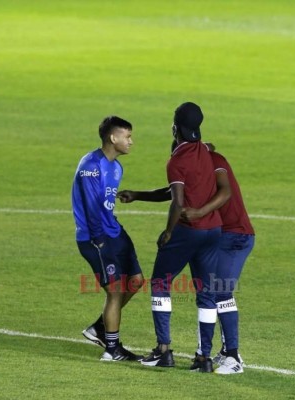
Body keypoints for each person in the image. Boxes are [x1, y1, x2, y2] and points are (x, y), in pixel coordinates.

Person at [117, 102, 222, 372]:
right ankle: (204, 358)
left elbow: (176, 201)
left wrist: (168, 232)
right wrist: (138, 194)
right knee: (206, 294)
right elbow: (174, 190)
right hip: (213, 231)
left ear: (175, 127)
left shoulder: (176, 161)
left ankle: (163, 350)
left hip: (188, 231)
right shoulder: (205, 150)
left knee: (161, 284)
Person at [71, 115, 144, 362]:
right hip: (95, 237)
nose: (131, 141)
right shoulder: (91, 165)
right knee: (115, 291)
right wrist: (100, 240)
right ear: (113, 138)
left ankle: (100, 328)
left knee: (135, 281)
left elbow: (102, 203)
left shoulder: (116, 167)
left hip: (114, 231)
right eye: (127, 136)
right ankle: (112, 349)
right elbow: (91, 207)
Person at [182, 149, 255, 374]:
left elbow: (225, 191)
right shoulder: (198, 163)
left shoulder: (212, 160)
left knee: (220, 291)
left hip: (235, 235)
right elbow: (174, 190)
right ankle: (225, 352)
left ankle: (233, 358)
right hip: (221, 235)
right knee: (212, 292)